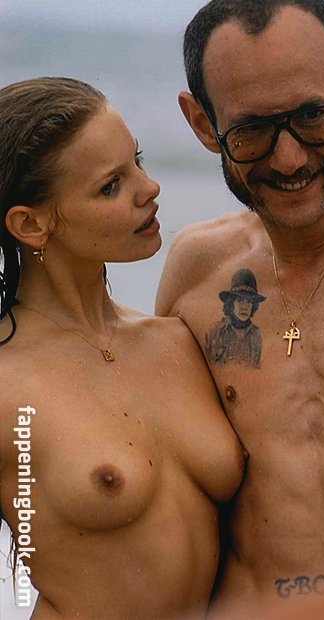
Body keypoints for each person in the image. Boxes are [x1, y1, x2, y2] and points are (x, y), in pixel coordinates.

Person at [156, 0, 324, 614]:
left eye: (313, 117)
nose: (289, 158)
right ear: (203, 124)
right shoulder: (197, 273)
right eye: (251, 131)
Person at [0, 77, 245, 620]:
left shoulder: (177, 341)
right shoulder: (7, 383)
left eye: (137, 161)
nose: (149, 188)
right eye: (111, 185)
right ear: (31, 224)